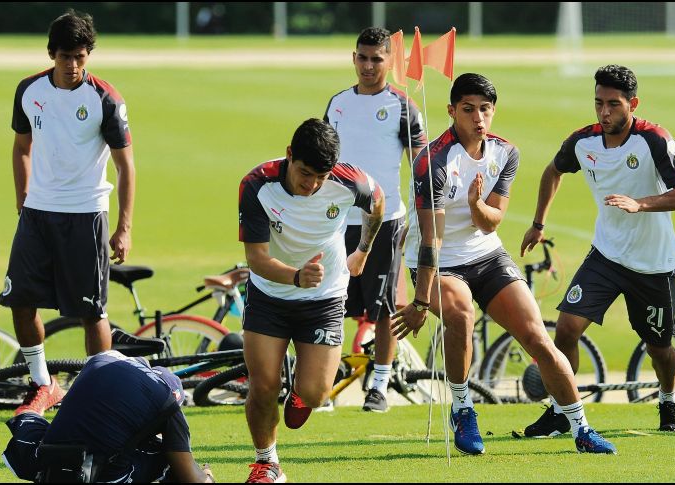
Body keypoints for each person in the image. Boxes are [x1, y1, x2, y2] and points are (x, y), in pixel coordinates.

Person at [392, 73, 616, 455]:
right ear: (451, 111)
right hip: (439, 261)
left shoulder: (505, 153)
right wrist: (421, 301)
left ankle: (581, 428)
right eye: (468, 109)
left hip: (487, 255)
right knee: (460, 315)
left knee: (537, 337)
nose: (478, 117)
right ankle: (463, 408)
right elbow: (433, 238)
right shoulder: (433, 161)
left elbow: (492, 220)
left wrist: (478, 205)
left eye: (485, 109)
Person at [520, 64, 675, 436]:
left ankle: (669, 398)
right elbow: (552, 172)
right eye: (599, 103)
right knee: (567, 329)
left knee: (659, 348)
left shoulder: (654, 140)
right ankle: (562, 411)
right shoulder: (583, 142)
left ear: (632, 103)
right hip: (605, 257)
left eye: (614, 105)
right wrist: (538, 224)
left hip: (653, 264)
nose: (604, 113)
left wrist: (641, 204)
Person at [0, 9, 135, 415]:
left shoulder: (105, 99)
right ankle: (43, 384)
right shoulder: (29, 90)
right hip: (37, 216)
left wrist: (123, 227)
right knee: (19, 301)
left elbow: (126, 166)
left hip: (85, 215)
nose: (73, 65)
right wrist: (23, 197)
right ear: (51, 53)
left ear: (88, 54)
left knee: (91, 312)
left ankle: (97, 395)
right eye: (65, 56)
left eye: (80, 56)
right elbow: (22, 147)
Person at [238, 118, 384, 482]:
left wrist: (363, 250)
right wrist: (294, 276)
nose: (312, 184)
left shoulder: (351, 182)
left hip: (324, 296)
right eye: (305, 173)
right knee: (263, 386)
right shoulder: (257, 185)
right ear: (290, 155)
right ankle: (266, 463)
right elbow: (255, 257)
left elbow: (377, 204)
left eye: (321, 176)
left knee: (316, 394)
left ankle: (302, 395)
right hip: (270, 294)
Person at [323, 27, 426, 412]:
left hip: (386, 220)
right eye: (362, 58)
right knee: (332, 300)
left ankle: (379, 385)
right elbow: (324, 157)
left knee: (381, 307)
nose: (368, 66)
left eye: (376, 59)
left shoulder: (403, 107)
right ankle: (327, 380)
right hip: (337, 219)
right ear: (354, 58)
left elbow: (421, 165)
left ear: (390, 61)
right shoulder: (337, 103)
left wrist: (422, 215)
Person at [1, 346, 214, 483]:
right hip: (98, 473)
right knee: (169, 460)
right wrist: (207, 476)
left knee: (29, 440)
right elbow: (190, 476)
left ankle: (41, 396)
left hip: (49, 460)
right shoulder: (168, 400)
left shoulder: (102, 359)